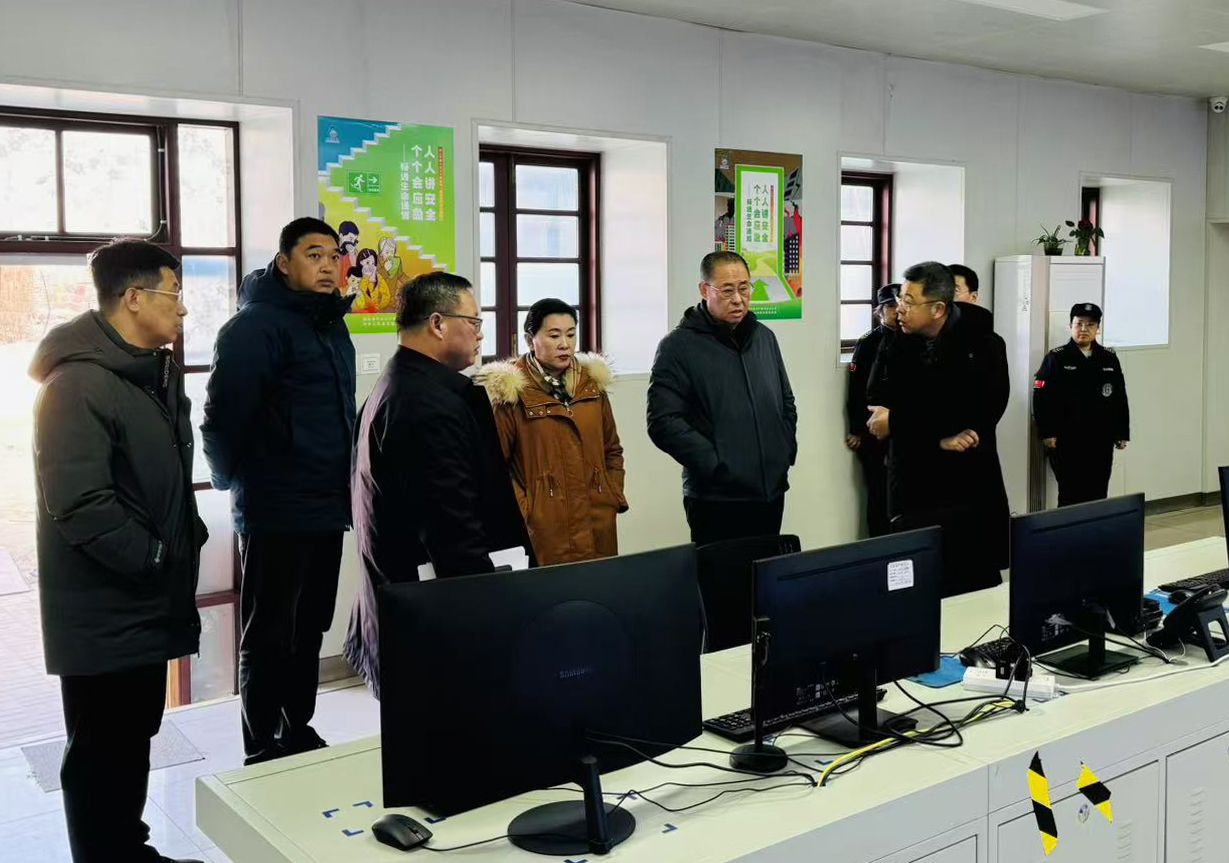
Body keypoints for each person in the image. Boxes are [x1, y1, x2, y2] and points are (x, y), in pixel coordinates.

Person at [30, 239, 206, 863]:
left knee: (131, 739)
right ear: (134, 298)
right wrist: (155, 558)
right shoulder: (76, 384)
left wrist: (185, 541)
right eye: (173, 294)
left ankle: (128, 850)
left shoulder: (150, 375)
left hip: (143, 601)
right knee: (100, 751)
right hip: (105, 607)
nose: (182, 308)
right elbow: (80, 505)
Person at [202, 217, 356, 765]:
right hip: (275, 507)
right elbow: (222, 420)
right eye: (314, 255)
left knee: (310, 627)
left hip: (326, 503)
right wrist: (235, 485)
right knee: (269, 631)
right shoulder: (253, 328)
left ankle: (297, 727)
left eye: (333, 255)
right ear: (284, 263)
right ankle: (261, 740)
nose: (327, 265)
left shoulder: (330, 325)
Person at [345, 272, 531, 697]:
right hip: (434, 617)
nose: (480, 334)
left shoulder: (400, 384)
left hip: (407, 607)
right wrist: (490, 614)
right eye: (474, 322)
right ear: (437, 323)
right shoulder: (424, 405)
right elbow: (451, 529)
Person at [867, 261, 1009, 597]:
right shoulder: (897, 341)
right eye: (900, 299)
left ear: (938, 309)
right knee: (915, 588)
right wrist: (938, 439)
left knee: (972, 588)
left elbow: (979, 408)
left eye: (908, 301)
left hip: (967, 485)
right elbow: (876, 404)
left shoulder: (983, 344)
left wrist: (901, 422)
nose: (900, 309)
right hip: (913, 484)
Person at [648, 251, 797, 546]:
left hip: (770, 491)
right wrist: (717, 464)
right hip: (716, 498)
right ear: (705, 291)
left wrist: (784, 450)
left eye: (745, 288)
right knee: (721, 574)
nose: (738, 299)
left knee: (766, 572)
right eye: (727, 291)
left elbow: (786, 401)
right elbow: (663, 422)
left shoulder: (764, 337)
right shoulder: (678, 347)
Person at [478, 298, 627, 565]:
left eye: (571, 334)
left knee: (598, 587)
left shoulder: (591, 386)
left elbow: (612, 450)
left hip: (596, 519)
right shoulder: (512, 393)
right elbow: (496, 468)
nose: (565, 344)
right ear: (529, 340)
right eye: (554, 335)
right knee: (552, 589)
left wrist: (611, 493)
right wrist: (526, 511)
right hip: (543, 528)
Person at [1033, 302, 1130, 506]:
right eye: (1079, 324)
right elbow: (1042, 398)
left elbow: (1119, 397)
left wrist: (1121, 432)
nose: (1084, 329)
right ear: (1071, 326)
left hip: (1100, 438)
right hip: (1067, 439)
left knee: (1098, 491)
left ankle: (1095, 527)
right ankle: (1068, 528)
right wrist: (1047, 432)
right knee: (1070, 493)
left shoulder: (1109, 358)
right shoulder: (1057, 357)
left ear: (1098, 328)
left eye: (1090, 325)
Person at [845, 283, 900, 537]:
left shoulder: (912, 338)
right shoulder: (869, 342)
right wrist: (856, 429)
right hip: (873, 431)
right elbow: (856, 390)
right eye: (890, 307)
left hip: (901, 427)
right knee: (878, 493)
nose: (896, 311)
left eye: (900, 305)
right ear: (879, 311)